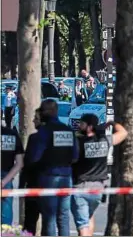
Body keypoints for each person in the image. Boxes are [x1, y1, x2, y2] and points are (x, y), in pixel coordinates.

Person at [27, 99, 79, 236]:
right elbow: (75, 156)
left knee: (49, 217)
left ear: (47, 112)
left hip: (49, 176)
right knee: (63, 217)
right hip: (66, 176)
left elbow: (35, 157)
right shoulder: (68, 130)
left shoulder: (45, 131)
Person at [71, 114, 128, 236]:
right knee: (89, 217)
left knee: (82, 224)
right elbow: (123, 133)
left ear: (90, 126)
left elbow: (72, 159)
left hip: (81, 187)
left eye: (82, 123)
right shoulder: (104, 141)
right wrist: (112, 123)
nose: (79, 125)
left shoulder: (79, 143)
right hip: (98, 188)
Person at [20, 108, 44, 234]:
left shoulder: (35, 138)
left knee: (30, 221)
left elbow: (28, 162)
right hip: (48, 184)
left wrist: (22, 183)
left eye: (36, 118)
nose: (33, 120)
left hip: (35, 184)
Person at [1, 120, 24, 225]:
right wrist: (4, 181)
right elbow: (19, 163)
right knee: (6, 213)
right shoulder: (12, 135)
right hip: (6, 177)